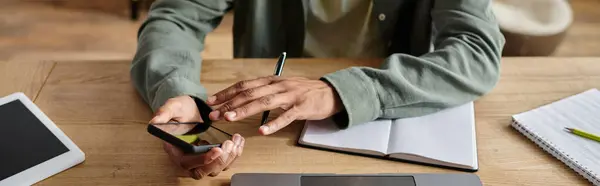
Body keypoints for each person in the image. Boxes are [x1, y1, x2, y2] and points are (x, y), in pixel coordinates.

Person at [130, 0, 505, 180]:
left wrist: (341, 92)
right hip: (271, 136)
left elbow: (477, 51)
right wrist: (179, 91)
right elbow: (175, 17)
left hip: (397, 118)